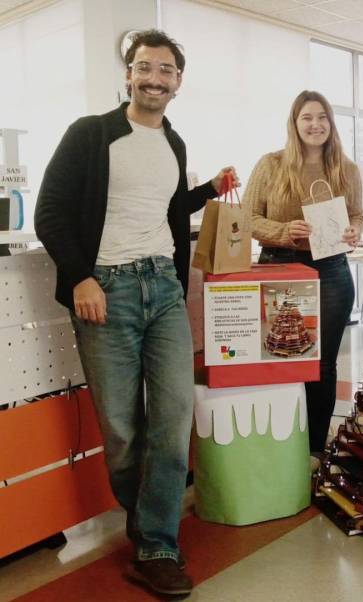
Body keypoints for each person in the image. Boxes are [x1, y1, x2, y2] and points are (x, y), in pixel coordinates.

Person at [34, 30, 238, 595]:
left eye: (166, 69)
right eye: (145, 67)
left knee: (171, 422)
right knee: (123, 432)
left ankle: (156, 544)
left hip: (164, 288)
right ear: (128, 74)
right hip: (106, 290)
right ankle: (146, 523)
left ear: (178, 81)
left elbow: (165, 208)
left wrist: (208, 190)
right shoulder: (90, 134)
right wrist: (80, 276)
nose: (154, 78)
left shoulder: (174, 142)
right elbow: (50, 211)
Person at [244, 90, 363, 465]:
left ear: (331, 123)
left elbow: (357, 214)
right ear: (294, 124)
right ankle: (277, 446)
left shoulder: (346, 169)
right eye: (307, 118)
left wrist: (355, 231)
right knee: (278, 358)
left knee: (322, 365)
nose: (315, 125)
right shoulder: (271, 165)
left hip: (331, 271)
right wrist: (283, 231)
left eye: (322, 117)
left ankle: (314, 450)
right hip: (280, 266)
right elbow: (246, 218)